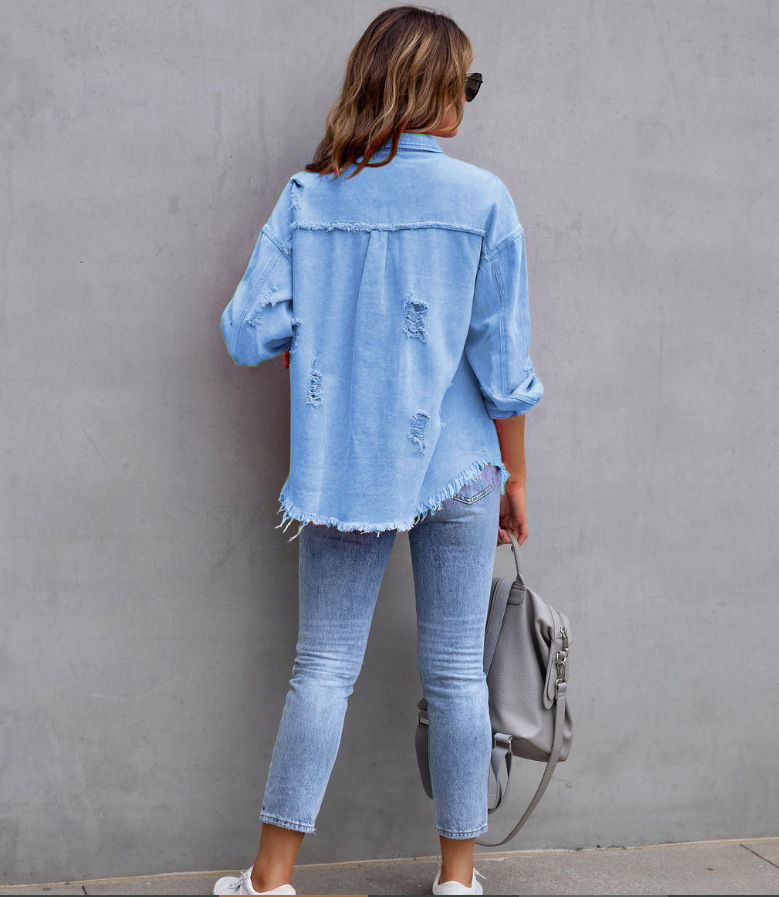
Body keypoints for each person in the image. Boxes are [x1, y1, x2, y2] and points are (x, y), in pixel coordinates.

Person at [214, 5, 543, 895]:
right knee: (456, 672)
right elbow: (504, 365)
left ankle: (270, 879)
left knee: (322, 668)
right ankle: (458, 880)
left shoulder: (310, 197)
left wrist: (323, 329)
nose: (468, 98)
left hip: (346, 466)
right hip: (463, 463)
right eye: (465, 83)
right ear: (433, 89)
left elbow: (246, 330)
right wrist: (515, 474)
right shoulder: (483, 199)